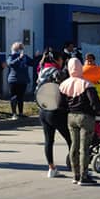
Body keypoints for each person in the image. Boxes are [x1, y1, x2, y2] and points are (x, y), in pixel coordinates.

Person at [60, 57, 100, 185]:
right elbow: (95, 104)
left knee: (74, 145)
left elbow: (60, 104)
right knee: (84, 147)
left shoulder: (64, 84)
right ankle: (84, 176)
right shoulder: (87, 84)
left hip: (71, 116)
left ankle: (75, 174)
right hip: (86, 117)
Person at [37, 49, 72, 178]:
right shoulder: (56, 71)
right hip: (55, 110)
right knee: (71, 139)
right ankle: (76, 166)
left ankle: (51, 168)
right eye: (61, 59)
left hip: (43, 108)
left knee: (48, 140)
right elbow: (63, 86)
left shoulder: (42, 70)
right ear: (58, 59)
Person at [6, 42, 34, 119]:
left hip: (23, 80)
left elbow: (32, 63)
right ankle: (14, 113)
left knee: (21, 97)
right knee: (13, 97)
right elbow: (10, 64)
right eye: (20, 48)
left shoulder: (25, 57)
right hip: (13, 80)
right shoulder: (11, 56)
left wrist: (37, 57)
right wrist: (19, 59)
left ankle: (21, 113)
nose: (21, 50)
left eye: (22, 48)